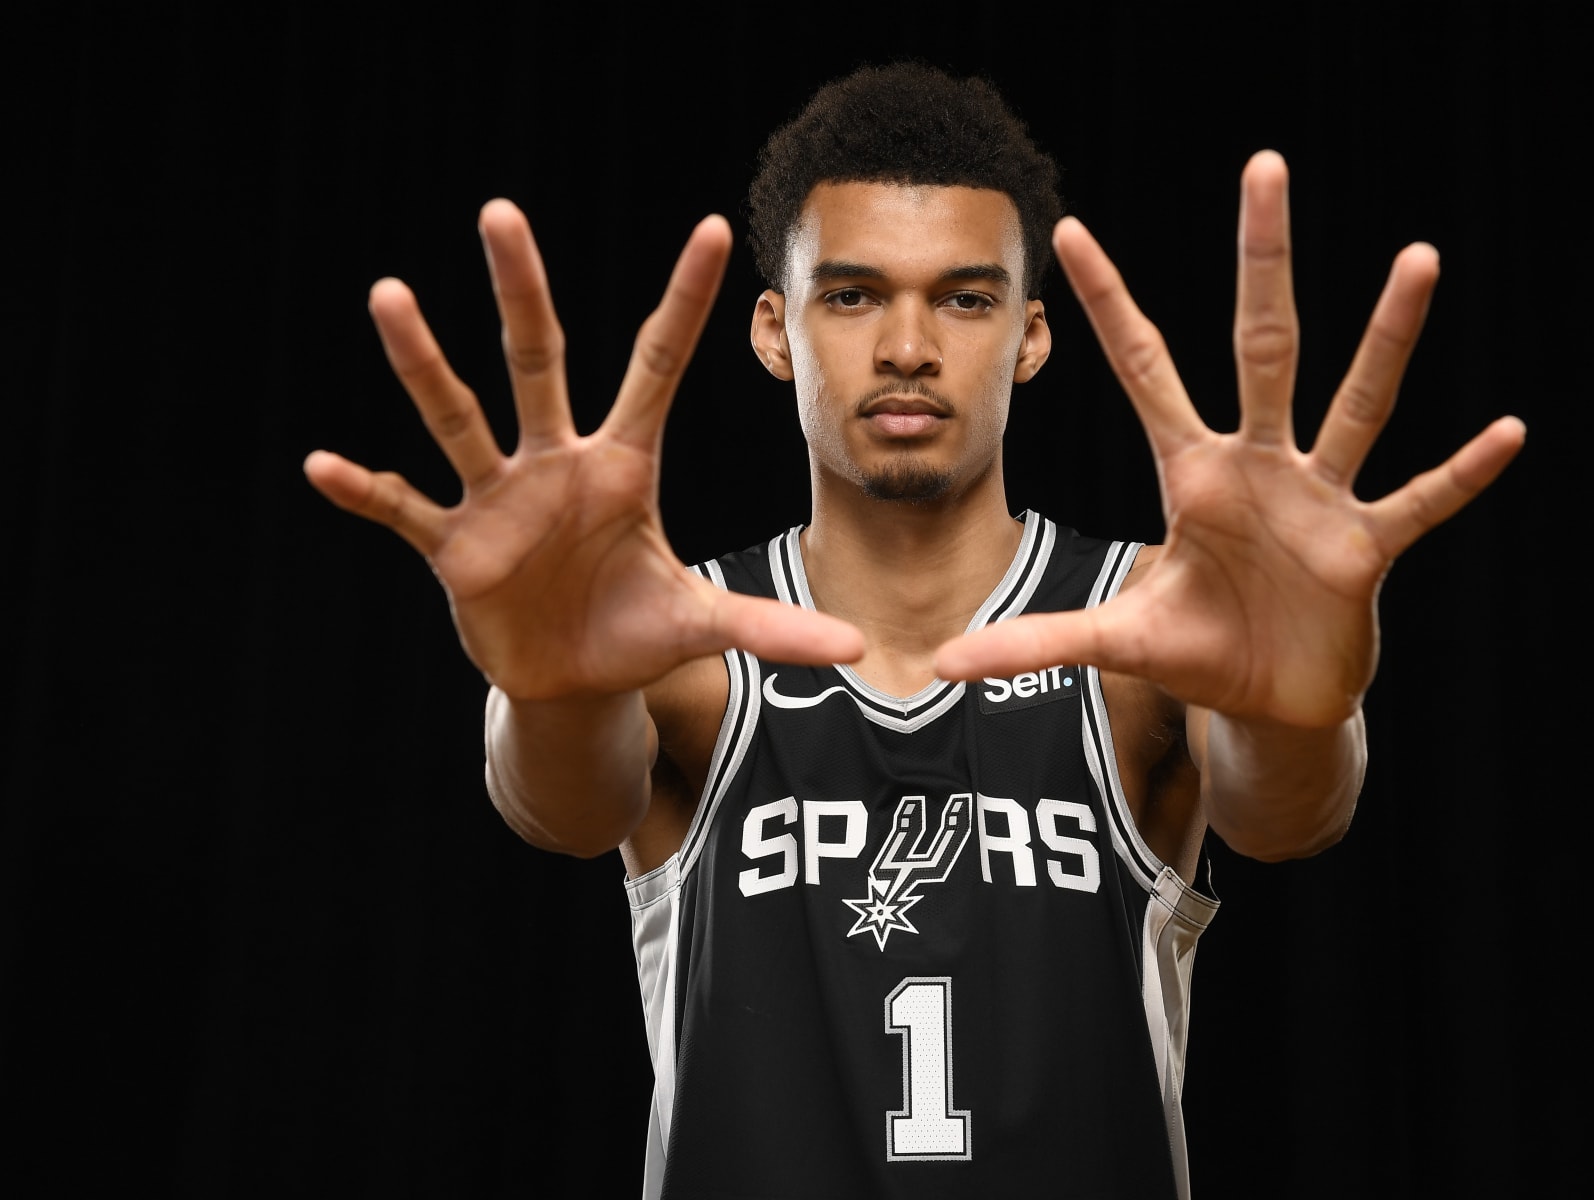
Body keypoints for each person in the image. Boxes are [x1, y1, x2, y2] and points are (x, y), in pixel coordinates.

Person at [304, 64, 1522, 1200]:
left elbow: (1287, 811)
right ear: (776, 331)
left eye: (965, 297)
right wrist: (547, 685)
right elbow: (560, 807)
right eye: (851, 294)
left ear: (1031, 337)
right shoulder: (675, 639)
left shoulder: (1142, 626)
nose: (905, 347)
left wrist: (1298, 700)